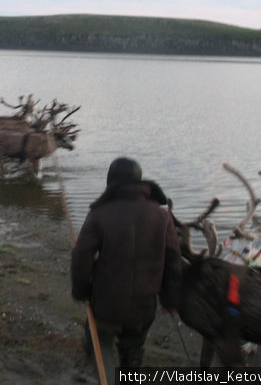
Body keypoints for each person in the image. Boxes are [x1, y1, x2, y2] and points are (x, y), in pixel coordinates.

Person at [70, 157, 182, 383]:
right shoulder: (162, 215)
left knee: (100, 345)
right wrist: (170, 299)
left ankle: (107, 378)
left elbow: (81, 256)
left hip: (105, 304)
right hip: (144, 306)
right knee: (133, 350)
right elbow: (173, 260)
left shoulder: (100, 213)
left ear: (110, 181)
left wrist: (81, 290)